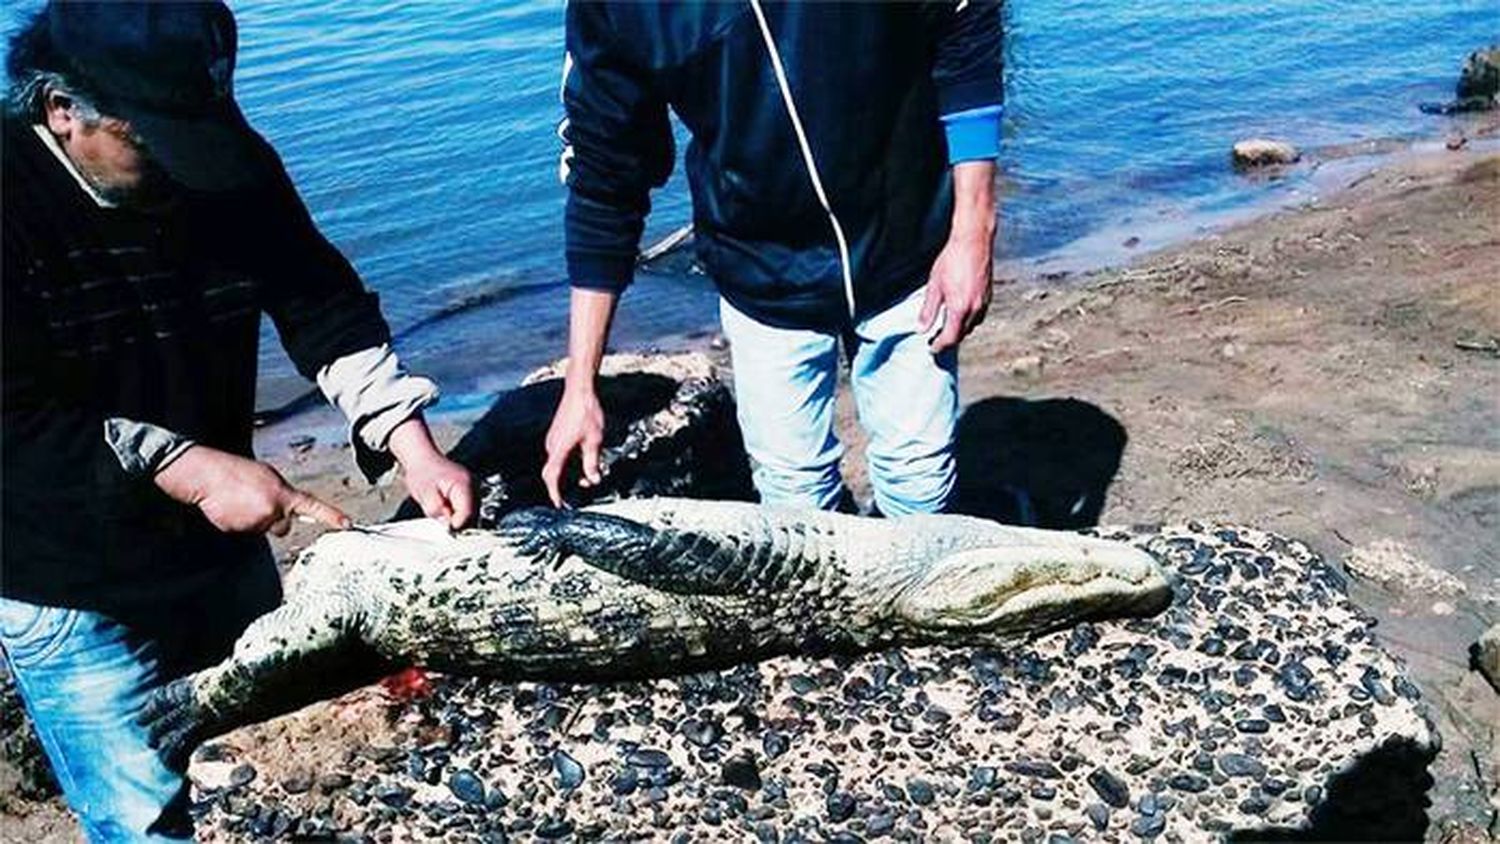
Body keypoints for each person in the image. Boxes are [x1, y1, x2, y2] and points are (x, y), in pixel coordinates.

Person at [0, 3, 474, 839]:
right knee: (144, 814)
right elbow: (13, 421)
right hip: (63, 571)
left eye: (199, 125)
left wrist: (413, 446)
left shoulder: (219, 160)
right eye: (152, 137)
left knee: (256, 776)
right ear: (60, 110)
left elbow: (319, 304)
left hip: (216, 553)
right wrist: (193, 467)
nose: (182, 162)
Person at [543, 2, 1003, 517]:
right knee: (795, 503)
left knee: (920, 486)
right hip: (760, 275)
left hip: (911, 249)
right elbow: (605, 175)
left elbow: (967, 26)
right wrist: (581, 385)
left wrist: (972, 230)